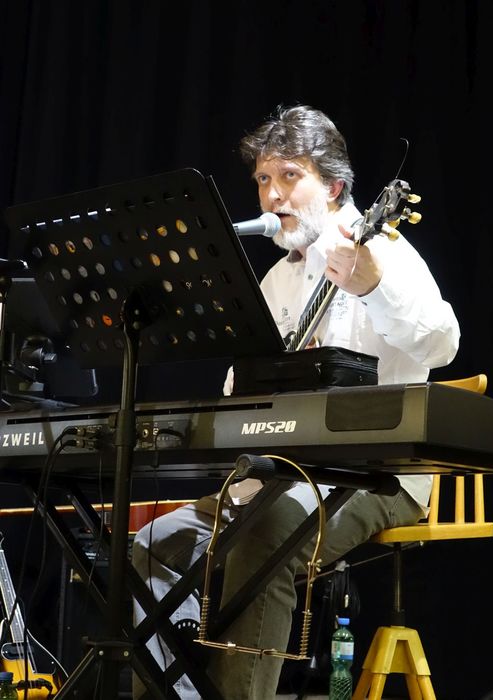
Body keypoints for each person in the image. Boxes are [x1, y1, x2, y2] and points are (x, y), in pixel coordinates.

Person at [132, 104, 460, 699]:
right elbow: (238, 391)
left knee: (265, 538)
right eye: (263, 179)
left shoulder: (383, 249)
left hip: (377, 477)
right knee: (150, 547)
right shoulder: (276, 281)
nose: (271, 194)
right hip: (279, 475)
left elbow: (443, 343)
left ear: (333, 187)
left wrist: (373, 286)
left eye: (289, 175)